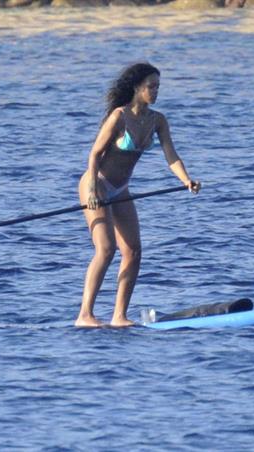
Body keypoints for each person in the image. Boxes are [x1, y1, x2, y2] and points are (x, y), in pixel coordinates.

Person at [76, 62, 200, 328]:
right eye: (150, 87)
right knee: (106, 249)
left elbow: (171, 155)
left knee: (133, 250)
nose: (155, 92)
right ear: (136, 88)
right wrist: (92, 191)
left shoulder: (157, 120)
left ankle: (119, 316)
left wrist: (186, 179)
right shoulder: (119, 117)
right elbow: (95, 154)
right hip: (96, 183)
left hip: (121, 189)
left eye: (158, 87)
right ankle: (85, 315)